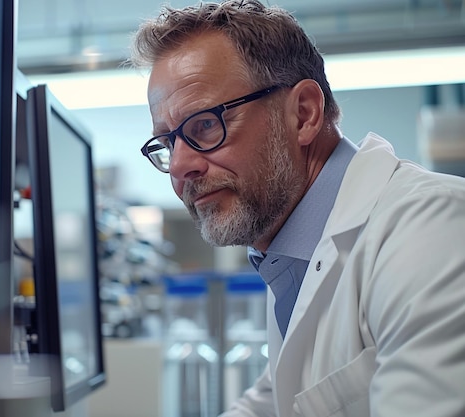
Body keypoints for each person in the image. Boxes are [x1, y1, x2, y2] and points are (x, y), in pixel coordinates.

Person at [128, 1, 465, 416]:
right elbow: (275, 399)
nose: (179, 167)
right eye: (167, 143)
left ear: (303, 114)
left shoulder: (430, 231)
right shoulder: (291, 252)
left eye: (205, 126)